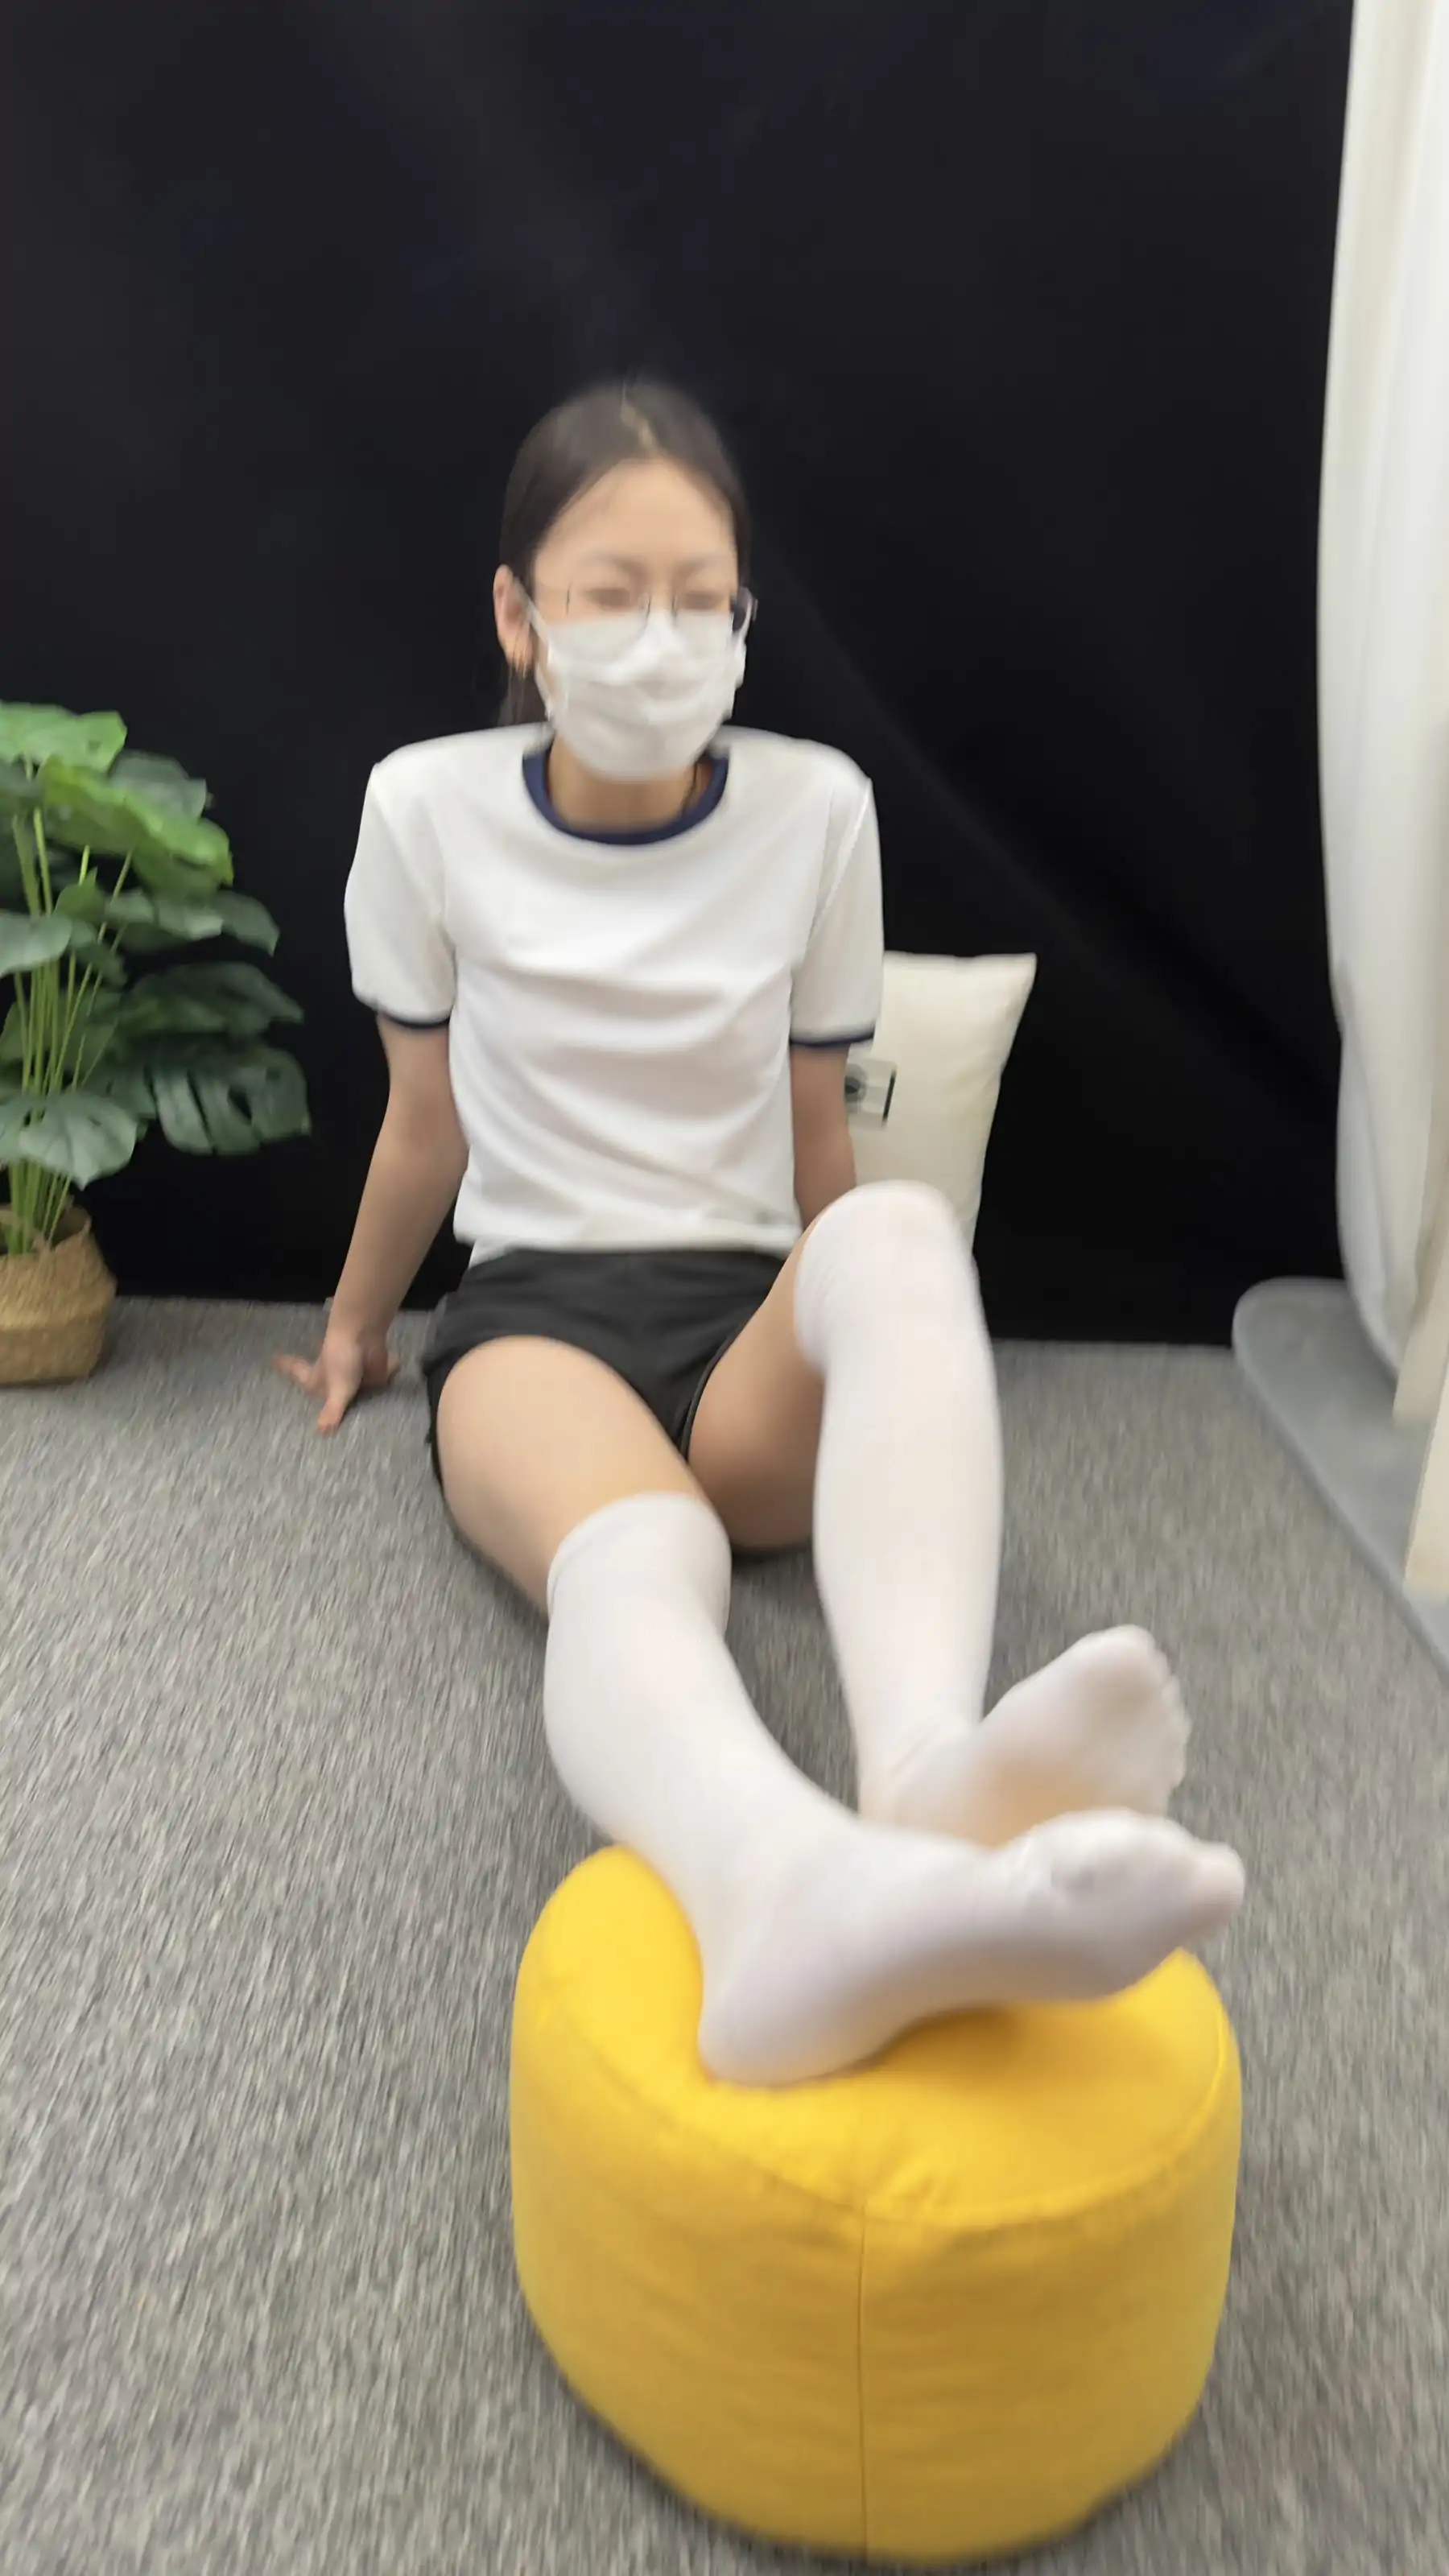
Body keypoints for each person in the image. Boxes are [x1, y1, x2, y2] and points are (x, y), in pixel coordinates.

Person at [278, 382, 1244, 2087]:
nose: (660, 635)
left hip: (744, 1332)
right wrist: (359, 1325)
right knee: (645, 1559)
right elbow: (423, 1121)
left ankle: (925, 1770)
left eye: (699, 595)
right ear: (516, 612)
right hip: (536, 1316)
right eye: (609, 591)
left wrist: (876, 1335)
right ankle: (780, 1892)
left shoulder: (817, 808)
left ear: (742, 616)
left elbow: (817, 1132)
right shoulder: (424, 807)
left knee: (901, 1235)